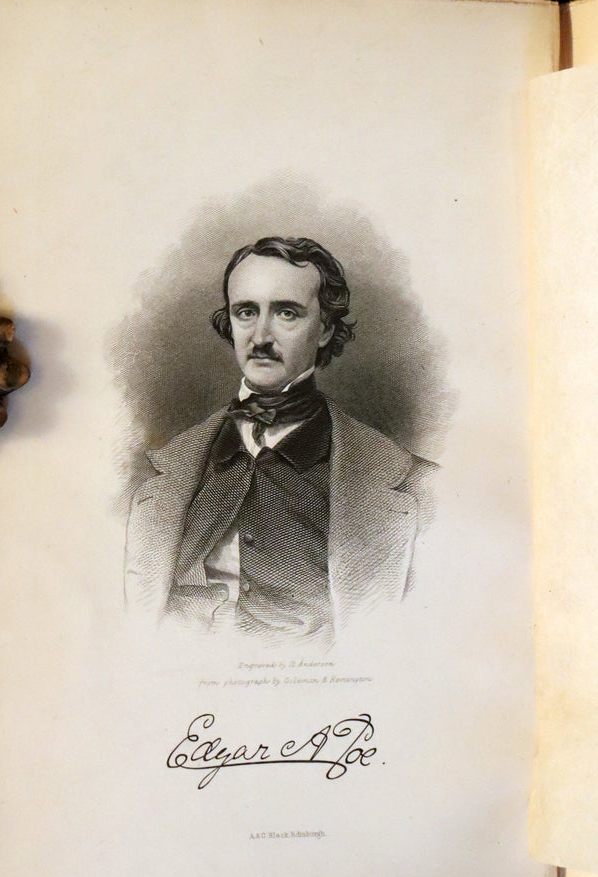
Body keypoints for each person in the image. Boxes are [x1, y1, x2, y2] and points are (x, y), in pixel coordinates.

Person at [125, 236, 436, 647]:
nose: (260, 337)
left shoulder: (417, 487)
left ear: (325, 329)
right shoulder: (154, 473)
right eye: (246, 312)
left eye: (286, 313)